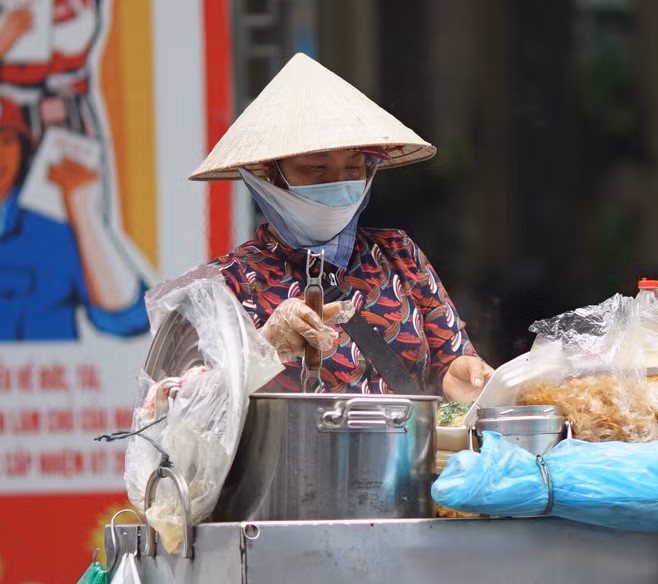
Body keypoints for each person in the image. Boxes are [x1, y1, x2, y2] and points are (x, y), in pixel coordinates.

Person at [190, 53, 493, 400]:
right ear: (271, 175)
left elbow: (452, 360)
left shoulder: (399, 255)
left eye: (354, 167)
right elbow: (188, 413)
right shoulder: (229, 283)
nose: (340, 182)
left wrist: (459, 373)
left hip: (403, 452)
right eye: (318, 168)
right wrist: (264, 349)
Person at [0, 96, 147, 340]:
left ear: (24, 151)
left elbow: (129, 316)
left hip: (49, 376)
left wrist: (85, 214)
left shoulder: (52, 231)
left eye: (7, 140)